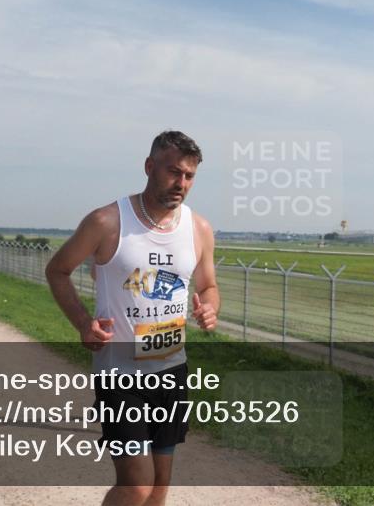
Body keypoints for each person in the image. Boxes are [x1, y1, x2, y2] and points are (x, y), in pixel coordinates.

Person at [46, 130, 219, 506]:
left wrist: (210, 307)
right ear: (149, 166)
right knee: (136, 485)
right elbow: (57, 270)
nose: (181, 183)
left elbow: (208, 286)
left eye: (189, 176)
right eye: (174, 172)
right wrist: (82, 323)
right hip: (120, 374)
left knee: (159, 488)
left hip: (172, 370)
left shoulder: (199, 229)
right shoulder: (107, 221)